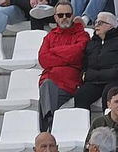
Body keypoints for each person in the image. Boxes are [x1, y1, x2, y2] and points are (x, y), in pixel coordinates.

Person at [74, 12, 118, 110]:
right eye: (95, 22)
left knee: (110, 93)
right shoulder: (92, 43)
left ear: (110, 26)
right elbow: (84, 64)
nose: (96, 25)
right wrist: (84, 75)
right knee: (81, 94)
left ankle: (109, 120)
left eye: (100, 23)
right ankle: (82, 120)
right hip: (96, 81)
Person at [38, 3, 88, 132]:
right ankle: (50, 125)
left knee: (45, 96)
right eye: (60, 15)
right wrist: (67, 58)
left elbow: (77, 53)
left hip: (69, 84)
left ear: (73, 16)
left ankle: (47, 129)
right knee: (47, 86)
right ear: (55, 18)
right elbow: (43, 59)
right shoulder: (50, 36)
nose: (64, 18)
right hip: (50, 82)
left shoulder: (82, 35)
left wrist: (54, 51)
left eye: (68, 15)